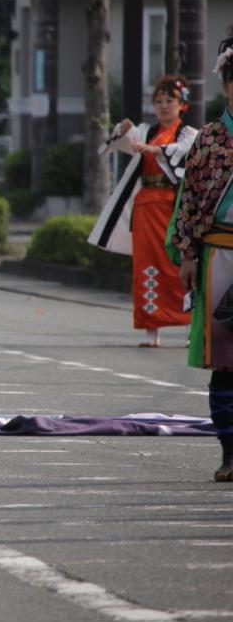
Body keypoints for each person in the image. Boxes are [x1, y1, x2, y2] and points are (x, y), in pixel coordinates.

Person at [90, 74, 198, 347]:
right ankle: (152, 331)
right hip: (146, 207)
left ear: (181, 104)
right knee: (147, 267)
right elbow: (120, 142)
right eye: (159, 101)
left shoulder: (188, 133)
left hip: (174, 208)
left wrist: (153, 149)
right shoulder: (146, 131)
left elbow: (180, 152)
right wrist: (123, 130)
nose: (164, 106)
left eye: (169, 101)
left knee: (179, 266)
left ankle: (189, 328)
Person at [170, 32, 233, 482]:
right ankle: (231, 453)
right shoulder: (208, 140)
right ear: (226, 85)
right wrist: (188, 255)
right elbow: (188, 202)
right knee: (226, 361)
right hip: (219, 257)